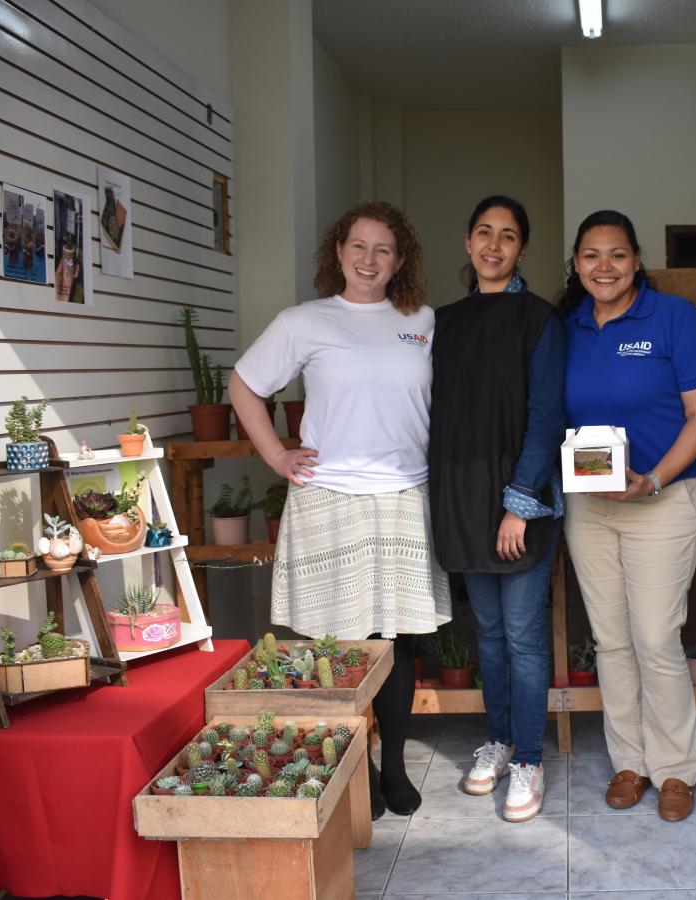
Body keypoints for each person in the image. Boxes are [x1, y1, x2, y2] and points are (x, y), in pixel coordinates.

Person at [229, 200, 451, 819]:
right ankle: (361, 767)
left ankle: (397, 768)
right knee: (345, 644)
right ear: (338, 253)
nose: (369, 259)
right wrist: (276, 454)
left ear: (400, 260)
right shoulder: (304, 322)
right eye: (358, 246)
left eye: (383, 249)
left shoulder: (423, 321)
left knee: (399, 641)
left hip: (404, 494)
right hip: (329, 498)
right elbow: (244, 384)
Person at [559, 210, 696, 822]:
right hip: (590, 506)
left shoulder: (675, 319)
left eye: (617, 254)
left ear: (637, 260)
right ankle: (630, 762)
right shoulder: (565, 326)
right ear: (575, 263)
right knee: (611, 640)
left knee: (656, 637)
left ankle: (676, 769)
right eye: (592, 255)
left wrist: (653, 477)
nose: (605, 266)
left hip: (662, 500)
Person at [428, 195, 565, 822]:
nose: (494, 244)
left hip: (522, 504)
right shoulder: (443, 322)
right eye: (483, 232)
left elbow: (545, 417)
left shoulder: (540, 319)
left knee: (524, 637)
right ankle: (499, 741)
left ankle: (530, 756)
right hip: (463, 501)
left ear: (522, 249)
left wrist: (519, 504)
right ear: (466, 241)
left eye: (508, 236)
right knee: (487, 633)